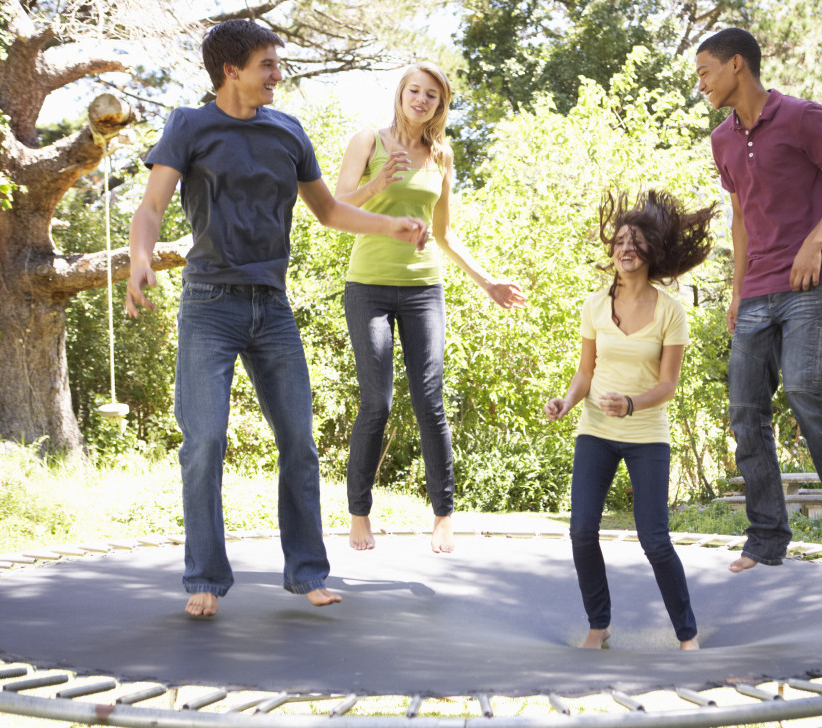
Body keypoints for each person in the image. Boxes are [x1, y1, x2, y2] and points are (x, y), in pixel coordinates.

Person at [124, 19, 429, 617]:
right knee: (205, 441)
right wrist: (140, 257)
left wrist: (389, 223)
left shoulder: (288, 131)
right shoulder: (190, 125)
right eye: (268, 64)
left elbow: (329, 210)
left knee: (299, 440)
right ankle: (205, 578)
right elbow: (152, 206)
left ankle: (307, 572)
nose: (278, 75)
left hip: (272, 307)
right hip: (209, 304)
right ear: (230, 69)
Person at [694, 28, 822, 573]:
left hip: (811, 278)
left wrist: (814, 242)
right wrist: (735, 291)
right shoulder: (723, 140)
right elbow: (739, 219)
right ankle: (766, 536)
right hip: (757, 286)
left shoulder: (804, 116)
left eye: (706, 71)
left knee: (806, 385)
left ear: (737, 65)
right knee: (745, 411)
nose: (701, 83)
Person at [334, 62, 526, 554]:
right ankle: (359, 513)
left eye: (432, 96)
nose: (421, 100)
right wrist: (378, 185)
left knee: (430, 400)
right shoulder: (368, 142)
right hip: (368, 286)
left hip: (424, 289)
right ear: (401, 94)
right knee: (376, 402)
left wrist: (487, 282)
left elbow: (443, 233)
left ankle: (443, 515)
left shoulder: (441, 154)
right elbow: (336, 212)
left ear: (441, 105)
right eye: (414, 91)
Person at [545, 189, 712, 650]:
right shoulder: (594, 305)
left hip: (646, 435)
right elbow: (585, 371)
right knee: (581, 531)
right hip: (595, 431)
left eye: (636, 243)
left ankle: (687, 634)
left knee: (654, 539)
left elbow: (668, 385)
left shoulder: (670, 312)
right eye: (620, 242)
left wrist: (633, 404)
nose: (626, 249)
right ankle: (599, 626)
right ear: (611, 251)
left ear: (650, 251)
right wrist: (566, 401)